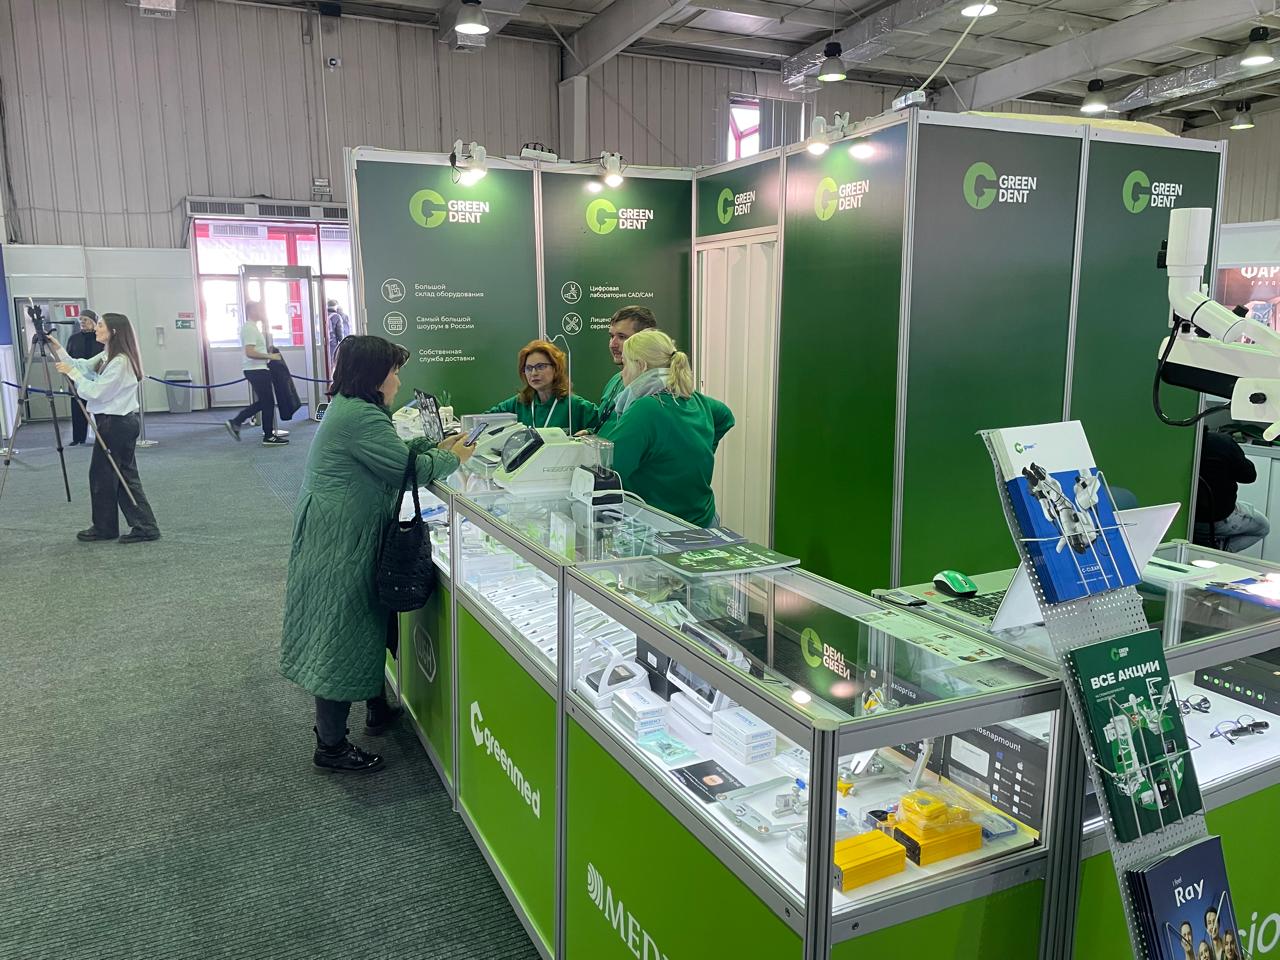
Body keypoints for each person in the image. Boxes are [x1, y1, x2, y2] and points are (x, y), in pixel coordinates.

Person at [280, 335, 475, 773]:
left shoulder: (353, 409)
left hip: (339, 531)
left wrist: (433, 447)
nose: (399, 381)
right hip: (342, 539)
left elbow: (393, 455)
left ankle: (375, 707)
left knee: (365, 621)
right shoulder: (361, 417)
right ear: (374, 376)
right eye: (394, 372)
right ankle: (331, 746)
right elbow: (406, 470)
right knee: (341, 630)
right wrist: (453, 458)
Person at [600, 329, 734, 527]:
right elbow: (725, 416)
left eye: (626, 364)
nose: (622, 373)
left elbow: (610, 469)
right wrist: (701, 451)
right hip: (703, 518)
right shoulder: (694, 399)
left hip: (663, 525)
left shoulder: (646, 409)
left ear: (641, 366)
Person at [48, 313, 161, 544]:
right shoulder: (107, 355)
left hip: (116, 424)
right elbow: (80, 366)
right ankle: (133, 526)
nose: (96, 329)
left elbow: (95, 392)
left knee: (107, 476)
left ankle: (116, 527)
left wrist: (72, 374)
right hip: (114, 423)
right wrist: (58, 348)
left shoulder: (120, 362)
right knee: (119, 476)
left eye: (100, 325)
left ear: (113, 332)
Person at [486, 339, 598, 432]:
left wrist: (589, 432)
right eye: (529, 368)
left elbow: (602, 426)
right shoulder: (518, 403)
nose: (534, 373)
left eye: (540, 366)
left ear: (555, 368)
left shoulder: (574, 405)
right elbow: (483, 422)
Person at [1194, 429, 1270, 552]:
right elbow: (1249, 476)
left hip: (1182, 518)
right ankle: (1220, 552)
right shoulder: (1222, 442)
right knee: (1263, 526)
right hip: (1217, 519)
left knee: (1244, 507)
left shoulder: (1175, 446)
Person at [225, 301, 288, 446]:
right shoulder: (249, 329)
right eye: (260, 309)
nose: (263, 313)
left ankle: (242, 424)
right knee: (267, 402)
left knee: (266, 402)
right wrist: (270, 356)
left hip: (258, 369)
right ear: (252, 311)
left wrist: (267, 352)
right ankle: (263, 433)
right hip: (256, 370)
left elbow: (254, 350)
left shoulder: (253, 328)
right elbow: (250, 352)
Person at [594, 305, 657, 434]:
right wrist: (592, 433)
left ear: (644, 340)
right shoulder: (615, 380)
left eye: (622, 337)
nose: (613, 344)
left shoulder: (652, 386)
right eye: (611, 336)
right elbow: (608, 422)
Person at [64, 310, 103, 446]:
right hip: (77, 380)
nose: (82, 322)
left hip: (97, 381)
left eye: (85, 319)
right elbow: (68, 358)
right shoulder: (73, 339)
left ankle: (102, 437)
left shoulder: (100, 338)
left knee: (100, 411)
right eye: (80, 320)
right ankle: (78, 438)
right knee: (78, 411)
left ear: (93, 321)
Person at [326, 299, 350, 366]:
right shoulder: (337, 316)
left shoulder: (323, 315)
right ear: (336, 306)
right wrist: (343, 343)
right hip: (333, 344)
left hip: (324, 343)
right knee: (333, 362)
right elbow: (340, 334)